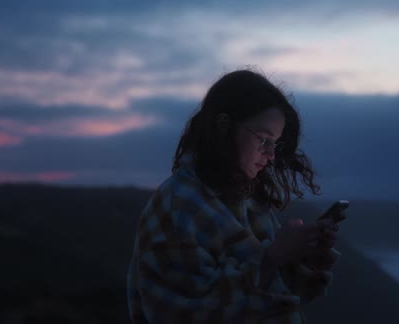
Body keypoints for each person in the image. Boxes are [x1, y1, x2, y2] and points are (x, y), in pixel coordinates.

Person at [127, 69, 341, 323]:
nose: (270, 155)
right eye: (264, 140)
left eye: (275, 145)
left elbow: (279, 291)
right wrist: (273, 258)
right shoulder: (179, 204)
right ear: (223, 127)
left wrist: (302, 256)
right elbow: (184, 312)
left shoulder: (248, 201)